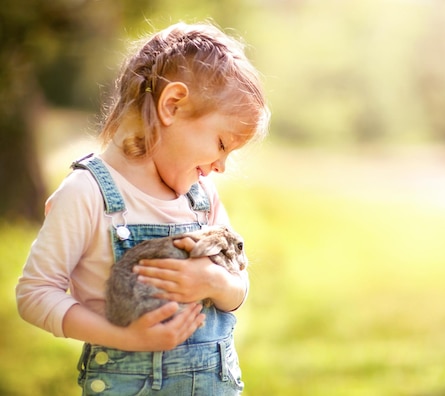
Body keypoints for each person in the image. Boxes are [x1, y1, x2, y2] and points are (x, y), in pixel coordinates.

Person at [15, 21, 269, 395]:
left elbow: (238, 286)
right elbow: (35, 294)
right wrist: (125, 337)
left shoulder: (202, 197)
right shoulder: (88, 193)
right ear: (173, 105)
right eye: (220, 144)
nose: (222, 166)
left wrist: (215, 282)